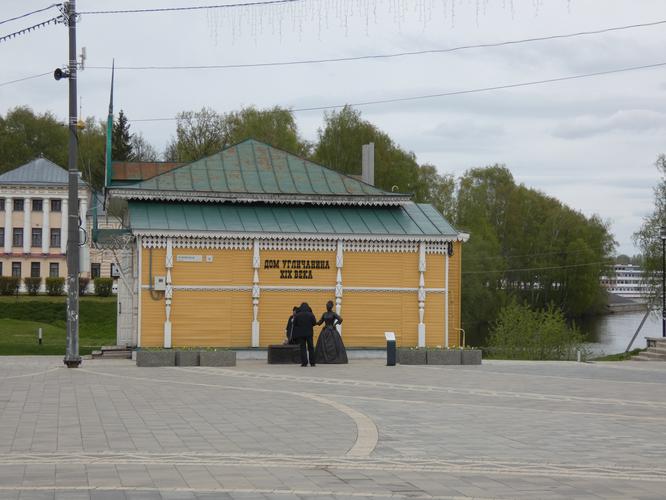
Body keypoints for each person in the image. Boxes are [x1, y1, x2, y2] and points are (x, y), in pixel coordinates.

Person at [291, 302, 317, 367]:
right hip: (309, 333)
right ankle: (312, 363)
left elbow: (294, 324)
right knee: (311, 347)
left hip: (301, 334)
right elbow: (314, 323)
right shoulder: (311, 314)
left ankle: (304, 363)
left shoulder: (297, 315)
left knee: (303, 348)